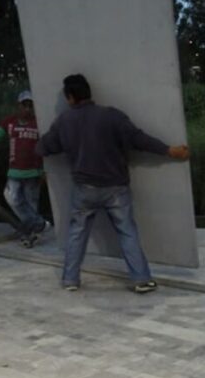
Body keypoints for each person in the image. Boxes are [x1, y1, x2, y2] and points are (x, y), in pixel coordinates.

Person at [36, 74, 189, 294]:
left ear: (70, 98)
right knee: (127, 232)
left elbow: (42, 148)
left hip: (84, 189)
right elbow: (139, 139)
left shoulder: (64, 122)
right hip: (116, 187)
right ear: (89, 93)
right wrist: (169, 150)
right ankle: (141, 279)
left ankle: (70, 279)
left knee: (77, 233)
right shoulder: (112, 117)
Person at [0, 90, 51, 247]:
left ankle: (31, 234)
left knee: (30, 203)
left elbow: (46, 148)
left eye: (30, 106)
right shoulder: (9, 122)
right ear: (18, 105)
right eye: (25, 105)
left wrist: (44, 171)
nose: (27, 109)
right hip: (14, 171)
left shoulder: (39, 123)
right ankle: (39, 224)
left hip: (33, 173)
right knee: (12, 198)